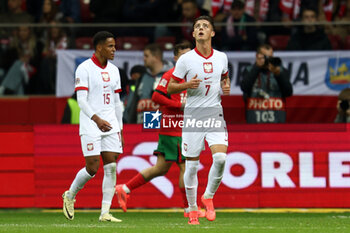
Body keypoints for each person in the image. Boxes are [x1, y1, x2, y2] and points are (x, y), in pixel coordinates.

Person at [115, 42, 205, 217]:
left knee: (161, 168)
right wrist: (178, 105)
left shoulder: (193, 76)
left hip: (183, 128)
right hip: (174, 129)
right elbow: (156, 96)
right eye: (184, 56)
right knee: (185, 166)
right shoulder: (171, 74)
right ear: (176, 58)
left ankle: (124, 188)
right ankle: (189, 209)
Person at [167, 15, 230, 225]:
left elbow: (224, 75)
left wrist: (226, 85)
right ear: (193, 34)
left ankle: (208, 196)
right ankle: (193, 209)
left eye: (205, 26)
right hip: (193, 116)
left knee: (220, 159)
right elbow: (170, 88)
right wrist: (186, 85)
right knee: (191, 167)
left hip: (214, 113)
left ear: (212, 33)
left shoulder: (221, 57)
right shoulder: (185, 60)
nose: (201, 28)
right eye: (197, 27)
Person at [62, 31, 124, 223]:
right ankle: (70, 195)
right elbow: (81, 100)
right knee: (92, 168)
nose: (114, 49)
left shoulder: (114, 70)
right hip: (91, 123)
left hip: (111, 124)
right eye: (110, 46)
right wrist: (97, 119)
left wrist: (119, 127)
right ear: (99, 47)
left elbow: (116, 101)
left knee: (111, 166)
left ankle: (105, 212)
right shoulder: (84, 68)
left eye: (114, 46)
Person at [240, 44, 293, 123]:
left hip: (277, 121)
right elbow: (244, 87)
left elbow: (288, 92)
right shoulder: (249, 70)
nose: (268, 60)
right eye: (265, 57)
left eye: (270, 57)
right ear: (257, 56)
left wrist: (278, 75)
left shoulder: (280, 71)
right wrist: (257, 67)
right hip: (254, 121)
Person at [123, 43, 173, 123]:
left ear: (156, 57)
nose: (144, 59)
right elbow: (132, 103)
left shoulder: (172, 76)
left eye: (146, 56)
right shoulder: (141, 78)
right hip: (140, 127)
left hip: (164, 125)